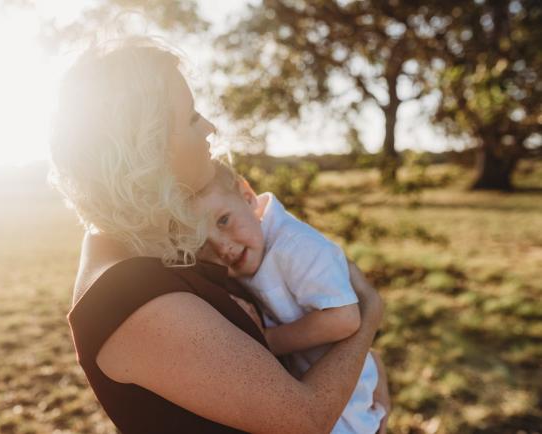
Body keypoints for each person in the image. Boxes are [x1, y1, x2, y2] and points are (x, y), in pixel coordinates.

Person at [50, 36, 387, 434]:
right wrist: (368, 314)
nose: (210, 128)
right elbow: (305, 421)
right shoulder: (128, 296)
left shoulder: (161, 243)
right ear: (147, 148)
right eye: (192, 118)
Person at [192, 161, 389, 434]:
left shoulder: (296, 246)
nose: (222, 247)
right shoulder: (248, 257)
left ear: (248, 198)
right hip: (312, 392)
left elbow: (344, 317)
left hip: (346, 407)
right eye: (202, 243)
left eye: (223, 220)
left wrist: (270, 341)